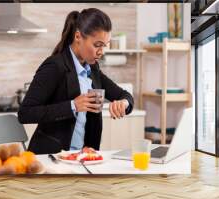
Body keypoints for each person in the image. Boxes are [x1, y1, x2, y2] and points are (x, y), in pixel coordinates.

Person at [18, 8, 134, 154]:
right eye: (97, 45)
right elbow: (25, 113)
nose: (101, 52)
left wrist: (123, 103)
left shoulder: (93, 69)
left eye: (105, 45)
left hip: (81, 157)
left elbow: (125, 95)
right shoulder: (55, 66)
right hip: (50, 157)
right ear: (78, 36)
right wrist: (73, 106)